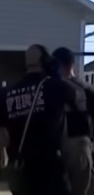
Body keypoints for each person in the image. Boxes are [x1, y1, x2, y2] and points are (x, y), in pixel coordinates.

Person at [0, 44, 74, 195]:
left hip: (21, 168)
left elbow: (3, 136)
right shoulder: (56, 86)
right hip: (50, 167)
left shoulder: (8, 93)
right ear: (45, 61)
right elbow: (79, 103)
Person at [52, 48, 94, 195]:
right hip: (80, 143)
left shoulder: (50, 88)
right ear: (72, 65)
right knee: (84, 187)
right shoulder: (86, 88)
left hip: (56, 145)